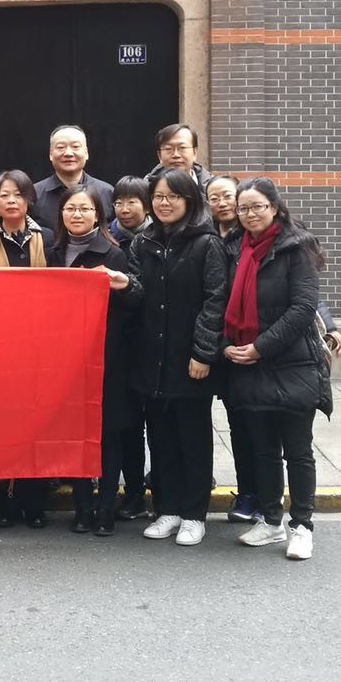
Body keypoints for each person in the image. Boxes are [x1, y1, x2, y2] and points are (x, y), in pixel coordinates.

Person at [205, 173, 341, 527]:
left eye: (258, 206)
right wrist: (226, 346)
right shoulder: (234, 248)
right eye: (244, 209)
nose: (250, 214)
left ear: (274, 207)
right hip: (246, 364)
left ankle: (302, 525)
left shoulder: (296, 247)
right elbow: (218, 301)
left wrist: (260, 348)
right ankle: (270, 522)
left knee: (297, 452)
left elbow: (303, 307)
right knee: (264, 450)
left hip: (291, 363)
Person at [119, 167, 226, 547]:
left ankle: (195, 514)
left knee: (192, 439)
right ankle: (168, 508)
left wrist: (203, 353)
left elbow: (216, 301)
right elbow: (139, 294)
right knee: (160, 438)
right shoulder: (142, 242)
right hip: (151, 359)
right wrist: (125, 285)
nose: (164, 203)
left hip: (189, 359)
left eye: (172, 196)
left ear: (189, 200)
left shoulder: (207, 244)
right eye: (159, 197)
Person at [46, 184, 138, 535]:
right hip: (65, 362)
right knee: (74, 435)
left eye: (85, 209)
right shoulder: (54, 253)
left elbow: (128, 310)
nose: (77, 214)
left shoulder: (113, 255)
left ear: (98, 215)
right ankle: (83, 507)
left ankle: (105, 508)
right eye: (71, 208)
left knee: (108, 436)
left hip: (106, 361)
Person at [0, 169, 53, 528]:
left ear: (29, 199)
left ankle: (35, 503)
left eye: (18, 194)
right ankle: (5, 503)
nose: (11, 201)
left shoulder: (48, 238)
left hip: (39, 347)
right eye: (4, 195)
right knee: (2, 425)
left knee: (36, 424)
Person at [102, 173, 151, 521]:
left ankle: (139, 491)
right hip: (116, 349)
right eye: (118, 202)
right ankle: (127, 492)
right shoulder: (110, 241)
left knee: (142, 426)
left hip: (147, 344)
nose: (124, 208)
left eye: (132, 201)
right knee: (123, 425)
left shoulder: (155, 239)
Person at [33, 124, 115, 229]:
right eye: (61, 147)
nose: (68, 153)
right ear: (50, 154)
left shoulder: (106, 192)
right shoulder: (34, 195)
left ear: (86, 153)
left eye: (75, 147)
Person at [148, 123, 212, 186]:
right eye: (168, 149)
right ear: (159, 156)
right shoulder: (147, 188)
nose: (176, 155)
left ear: (195, 152)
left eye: (182, 147)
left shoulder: (212, 188)